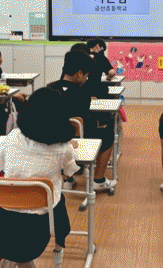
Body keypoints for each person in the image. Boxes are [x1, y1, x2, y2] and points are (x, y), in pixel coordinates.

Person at [0, 88, 80, 268]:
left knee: (27, 191)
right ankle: (22, 261)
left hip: (1, 224)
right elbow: (70, 172)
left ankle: (13, 260)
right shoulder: (63, 148)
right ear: (61, 116)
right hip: (38, 229)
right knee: (57, 196)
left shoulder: (13, 136)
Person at [47, 51, 117, 191]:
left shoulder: (49, 88)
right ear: (79, 73)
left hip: (51, 138)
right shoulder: (83, 94)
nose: (87, 78)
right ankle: (98, 180)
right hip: (75, 139)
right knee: (108, 133)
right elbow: (84, 121)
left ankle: (68, 179)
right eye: (86, 75)